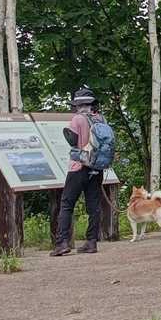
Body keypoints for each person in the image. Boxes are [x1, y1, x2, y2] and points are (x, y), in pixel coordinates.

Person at [51, 85, 105, 256]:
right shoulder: (100, 119)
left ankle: (62, 242)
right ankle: (91, 242)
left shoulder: (77, 119)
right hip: (96, 167)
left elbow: (72, 141)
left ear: (78, 105)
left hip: (78, 167)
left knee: (67, 204)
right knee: (94, 206)